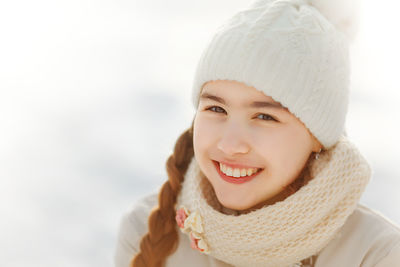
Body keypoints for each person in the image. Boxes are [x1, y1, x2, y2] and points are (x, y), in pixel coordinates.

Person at [114, 0, 400, 266]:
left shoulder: (375, 254)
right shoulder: (145, 228)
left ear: (317, 136)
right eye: (216, 109)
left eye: (265, 116)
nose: (230, 144)